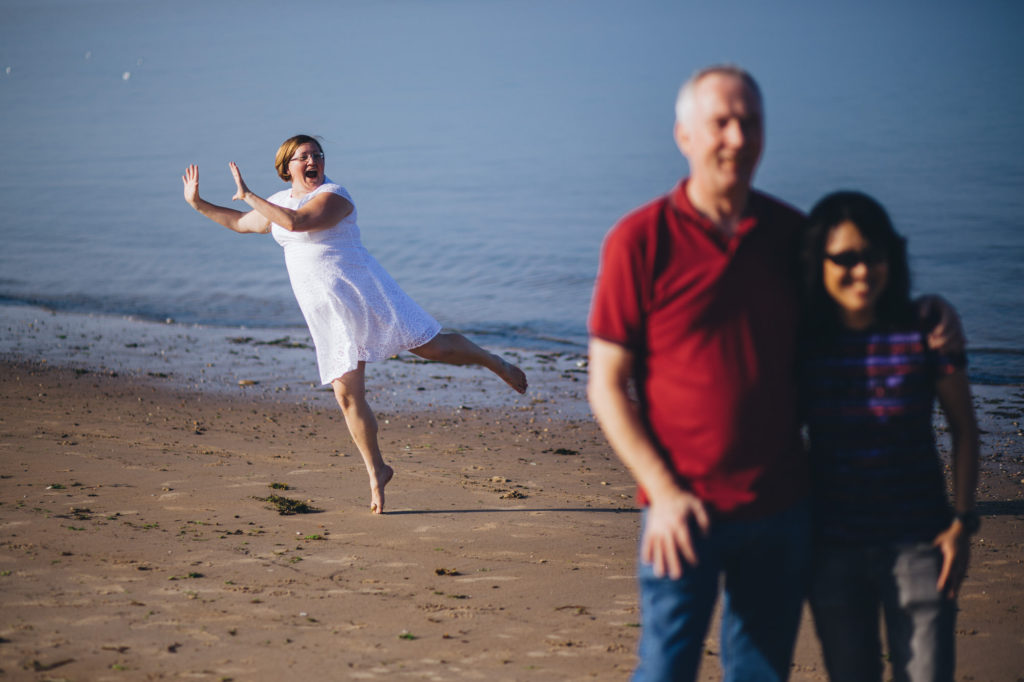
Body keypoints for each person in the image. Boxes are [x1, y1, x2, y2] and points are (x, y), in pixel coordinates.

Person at [587, 65, 810, 681]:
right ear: (685, 135)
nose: (737, 138)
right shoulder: (640, 240)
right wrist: (662, 492)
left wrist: (929, 319)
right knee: (665, 670)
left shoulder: (795, 237)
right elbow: (607, 385)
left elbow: (846, 347)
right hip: (680, 511)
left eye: (751, 123)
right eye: (721, 122)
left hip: (780, 508)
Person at [182, 134, 527, 514]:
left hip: (365, 292)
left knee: (433, 348)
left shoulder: (336, 195)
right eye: (303, 157)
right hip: (326, 310)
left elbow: (298, 223)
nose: (313, 160)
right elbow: (240, 224)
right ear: (287, 168)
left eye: (317, 154)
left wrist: (249, 195)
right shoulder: (277, 202)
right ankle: (377, 471)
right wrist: (198, 204)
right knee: (347, 396)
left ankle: (493, 362)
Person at [799, 191, 979, 682]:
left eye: (873, 256)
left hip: (922, 544)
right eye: (845, 258)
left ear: (891, 258)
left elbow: (964, 429)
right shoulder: (805, 341)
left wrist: (963, 523)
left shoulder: (924, 327)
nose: (862, 271)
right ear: (819, 262)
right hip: (833, 549)